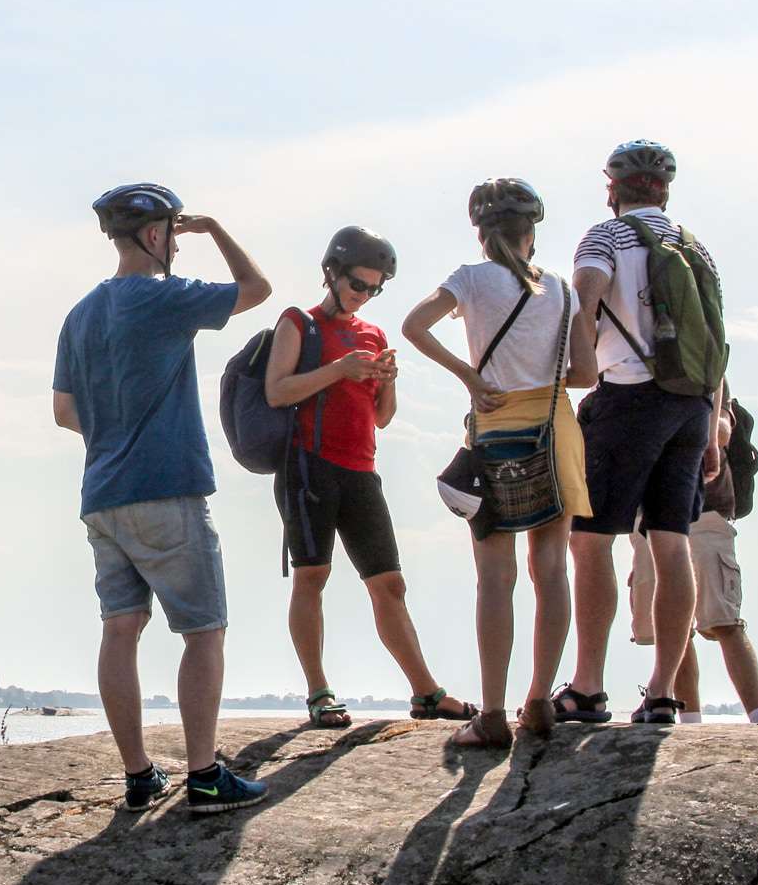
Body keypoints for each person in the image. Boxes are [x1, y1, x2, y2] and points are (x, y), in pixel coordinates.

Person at [53, 183, 273, 814]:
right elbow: (256, 290)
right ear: (156, 235)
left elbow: (65, 412)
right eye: (172, 231)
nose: (175, 242)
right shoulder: (163, 297)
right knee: (204, 630)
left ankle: (139, 776)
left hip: (102, 493)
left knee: (121, 628)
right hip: (166, 487)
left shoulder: (81, 313)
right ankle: (204, 776)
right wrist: (218, 228)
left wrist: (116, 427)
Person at [401, 180, 597, 747]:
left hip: (497, 427)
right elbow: (584, 374)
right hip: (555, 428)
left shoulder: (470, 278)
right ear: (531, 233)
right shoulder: (560, 289)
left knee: (495, 579)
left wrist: (470, 375)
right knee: (552, 569)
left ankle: (489, 715)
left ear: (482, 235)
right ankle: (538, 703)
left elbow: (414, 327)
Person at [266, 227, 479, 730]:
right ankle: (319, 692)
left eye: (374, 289)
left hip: (362, 470)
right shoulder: (300, 322)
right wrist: (340, 368)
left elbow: (383, 417)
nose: (364, 295)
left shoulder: (374, 334)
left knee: (390, 584)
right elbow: (278, 392)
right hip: (308, 466)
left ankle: (426, 692)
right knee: (312, 575)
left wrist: (386, 382)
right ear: (333, 273)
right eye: (359, 285)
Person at [553, 140, 726, 726]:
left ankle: (587, 687)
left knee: (591, 538)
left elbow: (584, 300)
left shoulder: (605, 236)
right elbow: (717, 342)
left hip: (628, 396)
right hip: (692, 404)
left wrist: (574, 371)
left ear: (613, 188)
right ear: (666, 190)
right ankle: (661, 694)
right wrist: (713, 432)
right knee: (669, 538)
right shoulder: (693, 245)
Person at [628, 393, 758, 723]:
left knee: (724, 621)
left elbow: (722, 427)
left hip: (705, 507)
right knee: (673, 629)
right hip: (646, 512)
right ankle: (689, 722)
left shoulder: (701, 354)